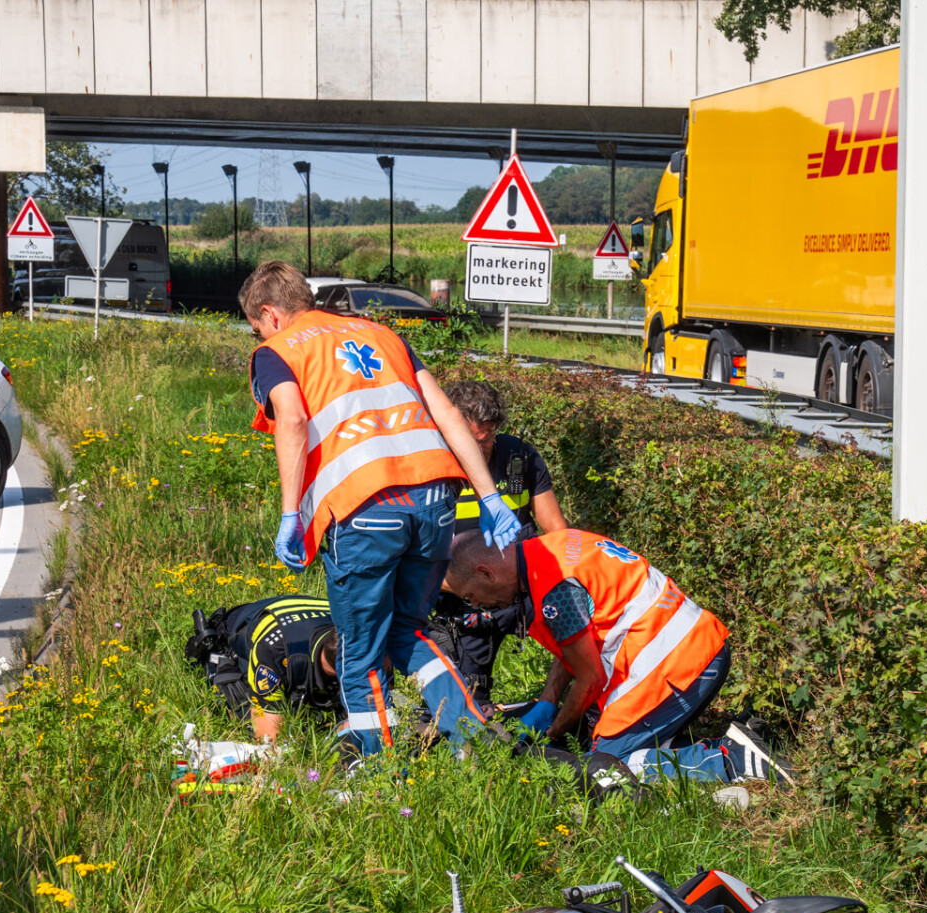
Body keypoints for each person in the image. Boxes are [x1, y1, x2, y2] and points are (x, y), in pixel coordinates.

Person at [241, 260, 521, 762]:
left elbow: (293, 419)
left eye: (256, 327)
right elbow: (446, 413)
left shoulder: (276, 351)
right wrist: (488, 495)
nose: (258, 337)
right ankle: (474, 739)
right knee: (407, 632)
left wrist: (290, 514)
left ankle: (376, 768)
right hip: (436, 499)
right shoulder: (382, 334)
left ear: (271, 314)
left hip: (366, 508)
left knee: (360, 649)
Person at [442, 529, 789, 784]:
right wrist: (548, 702)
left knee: (606, 767)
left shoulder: (554, 588)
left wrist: (553, 731)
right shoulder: (552, 547)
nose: (478, 605)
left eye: (472, 596)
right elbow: (574, 643)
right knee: (601, 734)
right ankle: (730, 738)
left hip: (678, 663)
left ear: (486, 572)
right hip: (697, 644)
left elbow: (590, 676)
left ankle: (731, 760)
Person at [429, 379, 565, 706]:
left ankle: (558, 708)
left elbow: (558, 533)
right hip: (462, 595)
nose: (480, 449)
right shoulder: (432, 468)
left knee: (579, 635)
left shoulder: (520, 457)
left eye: (487, 438)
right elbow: (415, 558)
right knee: (467, 700)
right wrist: (466, 586)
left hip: (523, 584)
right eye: (470, 440)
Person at [196, 595, 345, 743]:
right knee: (247, 717)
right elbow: (268, 741)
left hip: (301, 612)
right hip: (243, 623)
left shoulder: (353, 629)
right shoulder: (274, 652)